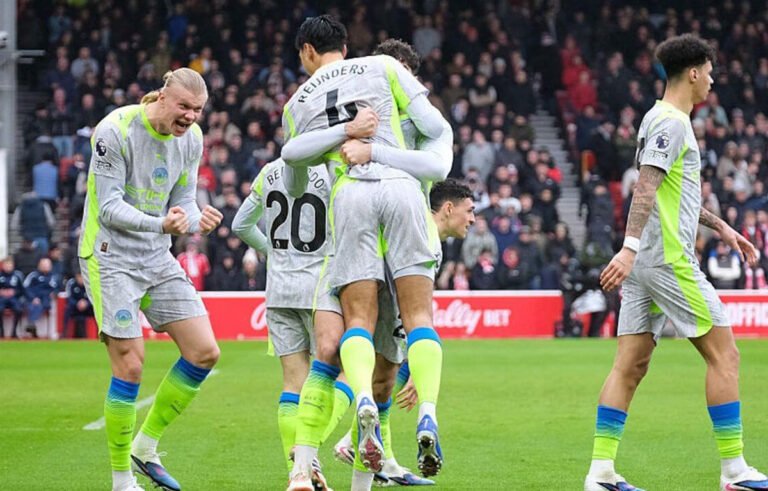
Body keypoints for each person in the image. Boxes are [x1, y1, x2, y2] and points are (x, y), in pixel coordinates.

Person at [585, 35, 767, 491]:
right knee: (725, 355)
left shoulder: (657, 118)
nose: (712, 79)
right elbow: (645, 186)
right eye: (709, 70)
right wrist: (627, 247)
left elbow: (671, 195)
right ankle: (734, 470)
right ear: (692, 72)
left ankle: (600, 473)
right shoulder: (673, 122)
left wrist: (720, 226)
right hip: (665, 260)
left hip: (646, 260)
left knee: (630, 365)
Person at [281, 24, 450, 488]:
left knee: (349, 331)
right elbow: (438, 137)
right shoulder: (385, 68)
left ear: (308, 51)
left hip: (349, 200)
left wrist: (343, 138)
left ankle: (354, 410)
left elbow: (292, 163)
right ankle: (429, 414)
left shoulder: (297, 101)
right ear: (348, 47)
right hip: (402, 194)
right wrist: (382, 143)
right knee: (419, 320)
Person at [77, 68, 223, 491]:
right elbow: (108, 208)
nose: (191, 117)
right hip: (109, 258)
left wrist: (199, 221)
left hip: (156, 255)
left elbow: (183, 203)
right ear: (162, 96)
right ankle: (122, 480)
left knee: (204, 352)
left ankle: (146, 446)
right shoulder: (114, 131)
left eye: (198, 110)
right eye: (184, 107)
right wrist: (163, 225)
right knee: (131, 364)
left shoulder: (191, 140)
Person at [23, 257, 59, 338]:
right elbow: (25, 288)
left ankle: (31, 324)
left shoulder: (53, 277)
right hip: (33, 298)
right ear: (39, 265)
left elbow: (57, 288)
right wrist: (33, 298)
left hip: (46, 299)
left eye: (47, 265)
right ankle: (32, 327)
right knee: (32, 306)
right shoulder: (33, 275)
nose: (45, 267)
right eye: (43, 265)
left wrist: (54, 293)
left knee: (40, 305)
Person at [0, 257, 25, 338]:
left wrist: (14, 292)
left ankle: (14, 331)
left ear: (13, 266)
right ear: (3, 266)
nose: (8, 266)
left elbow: (22, 290)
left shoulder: (17, 276)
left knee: (19, 310)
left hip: (13, 298)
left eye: (9, 265)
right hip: (1, 299)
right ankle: (2, 331)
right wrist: (2, 292)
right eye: (6, 265)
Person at [63, 269, 93, 338]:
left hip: (88, 307)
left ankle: (99, 334)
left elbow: (94, 298)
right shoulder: (71, 283)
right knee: (67, 309)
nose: (81, 279)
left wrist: (87, 303)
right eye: (80, 276)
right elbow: (69, 297)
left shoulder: (90, 284)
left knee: (97, 310)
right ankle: (65, 333)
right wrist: (77, 303)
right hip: (75, 307)